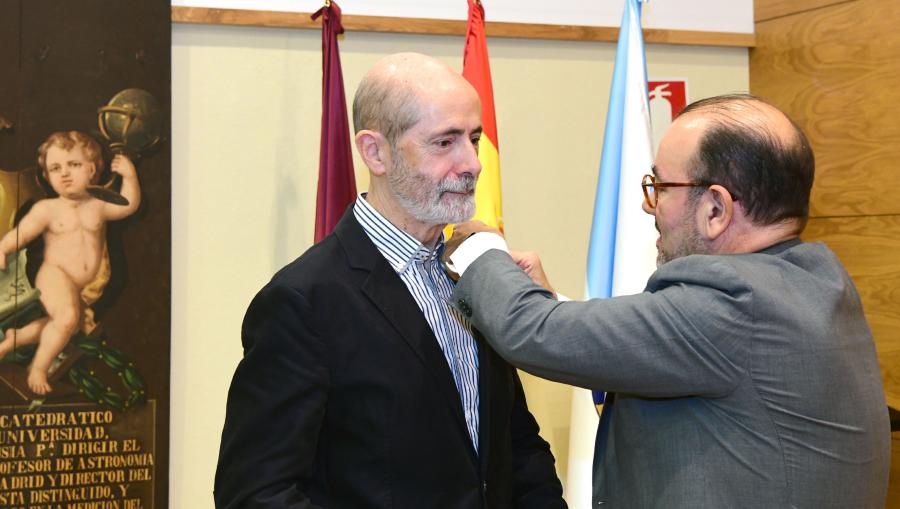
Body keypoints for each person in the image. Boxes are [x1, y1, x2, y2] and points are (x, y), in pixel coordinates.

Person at [445, 94, 890, 508]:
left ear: (716, 209)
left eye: (661, 186)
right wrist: (552, 300)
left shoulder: (733, 301)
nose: (648, 205)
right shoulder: (814, 278)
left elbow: (536, 332)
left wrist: (480, 250)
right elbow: (665, 353)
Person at [214, 53, 565, 509]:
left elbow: (516, 445)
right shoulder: (302, 302)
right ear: (374, 152)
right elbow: (257, 494)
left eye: (474, 139)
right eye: (445, 143)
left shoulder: (476, 271)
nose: (473, 164)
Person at [0, 131, 140, 395]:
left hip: (84, 286)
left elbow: (129, 206)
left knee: (66, 325)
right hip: (54, 275)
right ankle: (39, 368)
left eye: (73, 165)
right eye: (55, 168)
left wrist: (129, 175)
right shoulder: (47, 209)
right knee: (66, 318)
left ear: (92, 169)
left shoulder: (98, 204)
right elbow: (22, 233)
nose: (64, 173)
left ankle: (13, 340)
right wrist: (3, 249)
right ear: (47, 175)